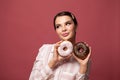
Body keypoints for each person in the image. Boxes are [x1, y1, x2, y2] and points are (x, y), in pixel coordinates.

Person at [29, 11, 91, 80]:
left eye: (68, 24)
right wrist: (53, 62)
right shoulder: (45, 50)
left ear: (76, 26)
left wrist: (83, 67)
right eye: (58, 26)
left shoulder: (84, 59)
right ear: (56, 30)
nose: (63, 29)